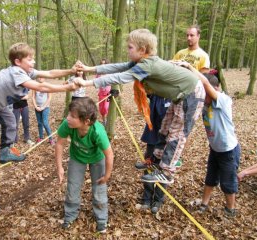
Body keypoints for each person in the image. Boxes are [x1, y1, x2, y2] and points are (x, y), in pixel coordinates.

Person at [74, 29, 205, 184]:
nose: (127, 51)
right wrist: (89, 69)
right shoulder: (140, 61)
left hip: (191, 94)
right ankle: (156, 160)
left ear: (142, 50)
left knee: (177, 133)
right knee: (164, 128)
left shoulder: (147, 65)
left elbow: (121, 77)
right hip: (181, 94)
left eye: (130, 47)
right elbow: (118, 67)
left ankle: (167, 172)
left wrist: (88, 82)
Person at [0, 42, 79, 175]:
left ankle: (5, 151)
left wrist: (71, 71)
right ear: (18, 61)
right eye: (30, 59)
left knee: (10, 121)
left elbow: (49, 73)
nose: (34, 62)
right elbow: (40, 87)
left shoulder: (27, 72)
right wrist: (66, 87)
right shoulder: (16, 72)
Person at [137, 26, 211, 212]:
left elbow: (204, 82)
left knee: (170, 149)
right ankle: (146, 198)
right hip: (160, 112)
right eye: (186, 35)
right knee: (154, 150)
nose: (188, 37)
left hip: (181, 102)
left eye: (192, 35)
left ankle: (158, 200)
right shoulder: (179, 54)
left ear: (198, 36)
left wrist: (189, 69)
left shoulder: (202, 56)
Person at [182, 64, 240, 217]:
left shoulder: (223, 100)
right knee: (210, 178)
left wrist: (189, 67)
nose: (203, 96)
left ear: (215, 89)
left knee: (228, 182)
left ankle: (230, 209)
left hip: (228, 150)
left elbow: (206, 84)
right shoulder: (204, 104)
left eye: (205, 93)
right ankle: (204, 204)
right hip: (215, 149)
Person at [55, 97, 113, 233]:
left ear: (86, 121)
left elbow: (109, 154)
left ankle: (101, 220)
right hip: (77, 158)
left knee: (99, 189)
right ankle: (70, 215)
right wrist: (59, 167)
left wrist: (107, 175)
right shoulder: (67, 124)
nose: (67, 118)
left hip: (97, 159)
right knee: (72, 187)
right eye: (69, 114)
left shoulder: (98, 132)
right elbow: (59, 144)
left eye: (72, 116)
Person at [32, 78, 54, 145]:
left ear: (44, 78)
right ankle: (41, 137)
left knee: (45, 123)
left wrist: (43, 107)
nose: (40, 78)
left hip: (45, 108)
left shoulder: (47, 86)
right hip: (37, 108)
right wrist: (36, 106)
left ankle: (51, 139)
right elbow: (33, 97)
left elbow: (49, 98)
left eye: (42, 77)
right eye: (39, 77)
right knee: (39, 123)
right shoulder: (35, 86)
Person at [96, 59, 111, 126]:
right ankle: (104, 120)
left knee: (106, 107)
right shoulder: (98, 74)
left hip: (108, 94)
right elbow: (96, 82)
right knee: (102, 108)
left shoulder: (110, 73)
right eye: (101, 64)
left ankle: (108, 120)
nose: (103, 65)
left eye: (104, 64)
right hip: (101, 93)